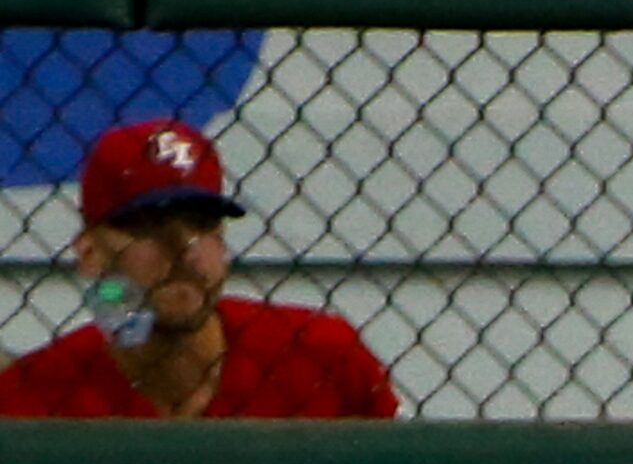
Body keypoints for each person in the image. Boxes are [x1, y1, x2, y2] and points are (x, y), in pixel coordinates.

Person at [0, 118, 396, 420]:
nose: (184, 250)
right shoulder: (31, 398)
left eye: (202, 224)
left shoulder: (323, 357)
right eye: (149, 227)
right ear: (90, 254)